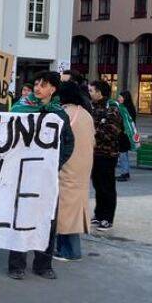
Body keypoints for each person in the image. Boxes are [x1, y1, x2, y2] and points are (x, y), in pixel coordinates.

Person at [7, 71, 74, 280]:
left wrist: (55, 164)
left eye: (43, 84)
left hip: (47, 177)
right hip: (25, 173)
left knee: (47, 220)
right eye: (36, 83)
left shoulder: (59, 115)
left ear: (52, 89)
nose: (37, 88)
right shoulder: (21, 108)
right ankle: (16, 264)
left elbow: (68, 143)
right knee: (22, 217)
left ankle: (43, 264)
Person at [53, 81, 94, 262]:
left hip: (67, 168)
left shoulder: (65, 114)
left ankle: (67, 251)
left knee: (64, 212)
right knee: (74, 210)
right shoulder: (86, 114)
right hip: (83, 169)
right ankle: (69, 249)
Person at [89, 80, 123, 231]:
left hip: (107, 153)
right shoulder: (92, 108)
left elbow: (112, 132)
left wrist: (92, 133)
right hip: (94, 153)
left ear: (99, 92)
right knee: (97, 185)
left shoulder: (112, 110)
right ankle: (98, 214)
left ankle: (107, 218)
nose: (89, 93)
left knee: (107, 186)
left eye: (91, 90)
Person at [116, 90, 138, 182]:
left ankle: (125, 173)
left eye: (120, 97)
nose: (119, 98)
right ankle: (125, 172)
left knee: (123, 153)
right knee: (123, 153)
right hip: (125, 133)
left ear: (125, 98)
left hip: (125, 134)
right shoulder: (128, 107)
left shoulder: (125, 109)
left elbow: (126, 122)